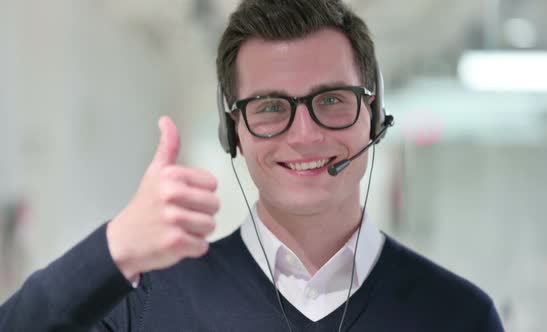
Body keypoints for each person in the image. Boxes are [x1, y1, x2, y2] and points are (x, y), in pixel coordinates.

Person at [0, 0, 505, 331]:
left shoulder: (459, 316)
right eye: (269, 107)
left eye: (331, 99)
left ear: (372, 116)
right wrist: (115, 250)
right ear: (232, 132)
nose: (305, 134)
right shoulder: (149, 305)